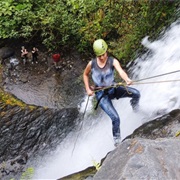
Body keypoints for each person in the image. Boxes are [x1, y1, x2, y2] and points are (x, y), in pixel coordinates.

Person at [83, 39, 140, 147]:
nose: (102, 57)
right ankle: (117, 143)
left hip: (113, 89)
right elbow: (85, 75)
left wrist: (127, 79)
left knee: (136, 94)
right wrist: (88, 89)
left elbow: (121, 71)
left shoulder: (112, 61)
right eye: (99, 55)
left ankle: (136, 109)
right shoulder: (92, 64)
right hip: (102, 95)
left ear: (106, 52)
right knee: (115, 118)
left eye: (103, 54)